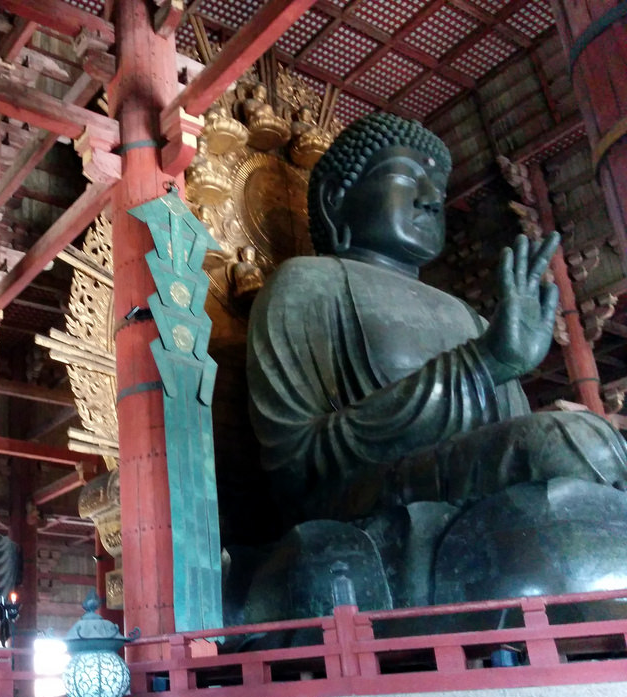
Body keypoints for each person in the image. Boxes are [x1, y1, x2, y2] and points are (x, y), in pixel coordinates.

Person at [244, 113, 627, 615]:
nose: (430, 199)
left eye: (438, 190)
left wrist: (498, 363)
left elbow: (510, 435)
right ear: (335, 200)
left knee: (590, 443)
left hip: (473, 483)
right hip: (365, 495)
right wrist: (487, 362)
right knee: (565, 444)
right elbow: (297, 464)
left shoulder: (466, 314)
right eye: (407, 179)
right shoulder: (308, 283)